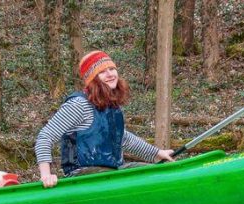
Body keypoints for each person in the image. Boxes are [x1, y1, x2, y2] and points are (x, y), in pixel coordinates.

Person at [34, 50, 174, 188]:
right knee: (120, 178)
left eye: (112, 68)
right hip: (81, 175)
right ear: (92, 79)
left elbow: (123, 138)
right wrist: (46, 175)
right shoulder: (79, 104)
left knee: (152, 172)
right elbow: (45, 137)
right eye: (102, 72)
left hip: (112, 171)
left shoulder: (111, 104)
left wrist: (156, 153)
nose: (110, 74)